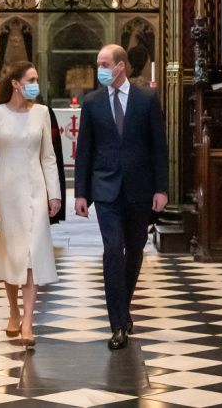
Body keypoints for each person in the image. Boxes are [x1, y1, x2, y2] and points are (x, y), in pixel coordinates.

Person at [74, 44, 168, 350]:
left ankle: (123, 308)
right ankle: (117, 324)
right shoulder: (92, 102)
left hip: (140, 188)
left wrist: (161, 189)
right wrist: (81, 194)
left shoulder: (147, 100)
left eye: (104, 63)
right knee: (113, 249)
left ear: (120, 66)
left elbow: (159, 148)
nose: (99, 68)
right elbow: (85, 150)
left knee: (135, 250)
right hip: (106, 189)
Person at [0, 61, 63, 348]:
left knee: (31, 255)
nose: (35, 84)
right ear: (15, 83)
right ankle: (13, 312)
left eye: (37, 79)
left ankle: (28, 320)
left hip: (36, 191)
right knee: (12, 253)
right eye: (31, 79)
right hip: (6, 191)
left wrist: (55, 194)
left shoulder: (41, 113)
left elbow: (49, 157)